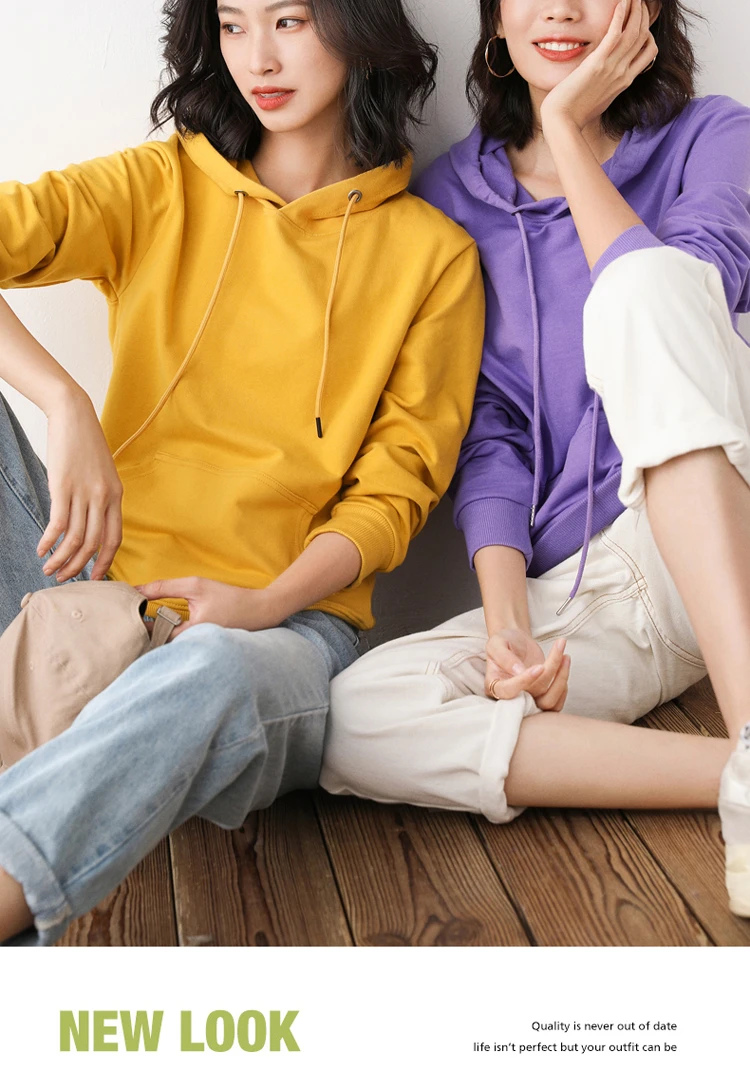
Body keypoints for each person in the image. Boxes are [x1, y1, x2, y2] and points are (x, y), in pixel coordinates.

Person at [0, 0, 484, 945]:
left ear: (357, 26)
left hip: (276, 633)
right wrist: (64, 400)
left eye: (289, 21)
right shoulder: (163, 184)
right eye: (232, 24)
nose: (256, 57)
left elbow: (393, 498)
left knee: (213, 671)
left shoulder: (434, 259)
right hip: (87, 582)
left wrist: (261, 603)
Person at [323, 0, 750, 919]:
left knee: (648, 283)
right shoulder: (449, 199)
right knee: (356, 714)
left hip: (731, 516)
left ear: (645, 9)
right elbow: (491, 429)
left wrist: (564, 128)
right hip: (611, 588)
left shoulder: (717, 136)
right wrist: (509, 625)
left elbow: (692, 299)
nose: (559, 7)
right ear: (495, 17)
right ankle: (739, 772)